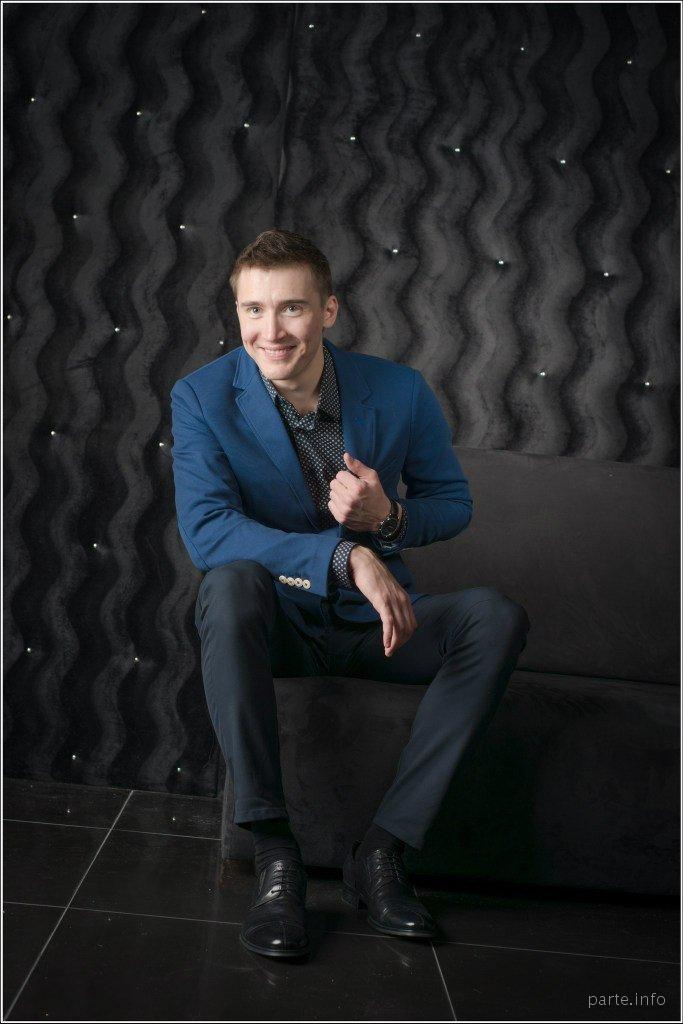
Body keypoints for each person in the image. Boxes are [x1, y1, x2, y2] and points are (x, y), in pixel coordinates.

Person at [170, 228, 531, 960]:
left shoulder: (398, 390)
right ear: (237, 313)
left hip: (376, 629)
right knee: (229, 584)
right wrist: (345, 556)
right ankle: (275, 854)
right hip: (274, 624)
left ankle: (385, 852)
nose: (271, 331)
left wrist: (387, 519)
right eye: (253, 310)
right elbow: (208, 532)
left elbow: (452, 504)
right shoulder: (201, 397)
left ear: (328, 310)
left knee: (493, 617)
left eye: (292, 308)